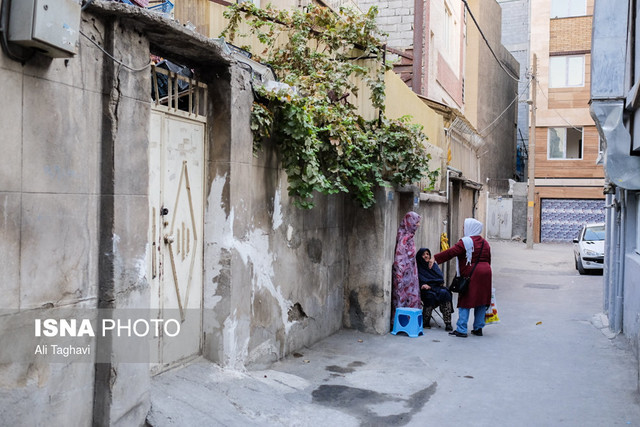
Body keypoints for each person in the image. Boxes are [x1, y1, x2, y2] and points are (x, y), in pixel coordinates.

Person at [433, 218, 492, 338]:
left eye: (465, 227)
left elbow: (451, 252)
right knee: (481, 300)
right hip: (486, 273)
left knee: (466, 299)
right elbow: (488, 259)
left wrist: (435, 258)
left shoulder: (465, 242)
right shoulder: (485, 243)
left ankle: (462, 329)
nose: (463, 229)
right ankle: (478, 328)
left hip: (472, 274)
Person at [391, 212, 422, 326]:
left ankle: (408, 323)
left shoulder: (409, 236)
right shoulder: (404, 238)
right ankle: (401, 324)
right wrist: (400, 278)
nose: (418, 225)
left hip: (411, 277)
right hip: (404, 277)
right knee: (402, 299)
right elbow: (399, 259)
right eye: (416, 222)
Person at [416, 248, 453, 331]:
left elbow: (440, 279)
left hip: (436, 287)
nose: (426, 256)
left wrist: (432, 284)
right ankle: (426, 322)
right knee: (430, 296)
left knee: (445, 293)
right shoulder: (417, 267)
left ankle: (448, 323)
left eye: (427, 254)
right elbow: (415, 280)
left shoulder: (433, 265)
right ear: (419, 257)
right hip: (425, 290)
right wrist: (422, 285)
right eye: (423, 255)